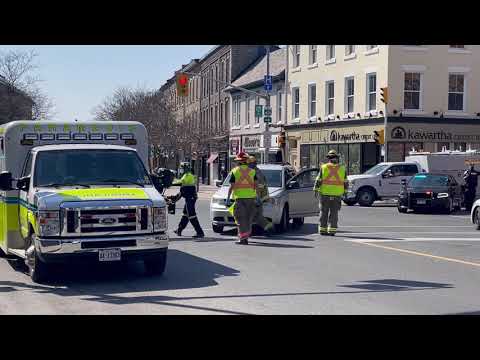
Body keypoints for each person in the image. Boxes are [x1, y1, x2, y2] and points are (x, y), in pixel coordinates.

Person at [314, 150, 348, 236]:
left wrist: (316, 190)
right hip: (337, 195)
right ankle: (332, 230)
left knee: (323, 212)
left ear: (328, 158)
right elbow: (345, 182)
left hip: (325, 194)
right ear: (337, 158)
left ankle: (322, 229)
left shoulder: (324, 167)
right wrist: (345, 192)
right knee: (334, 213)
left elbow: (318, 180)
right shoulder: (342, 168)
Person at [226, 152, 257, 245]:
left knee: (240, 219)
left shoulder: (234, 171)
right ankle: (245, 237)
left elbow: (231, 186)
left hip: (239, 199)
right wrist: (257, 196)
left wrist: (228, 197)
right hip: (251, 198)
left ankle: (243, 239)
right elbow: (256, 186)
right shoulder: (252, 171)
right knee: (248, 219)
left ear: (238, 162)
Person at [172, 162, 205, 238]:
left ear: (185, 168)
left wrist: (171, 182)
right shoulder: (186, 175)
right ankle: (179, 230)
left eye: (182, 168)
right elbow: (182, 189)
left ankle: (199, 232)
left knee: (191, 215)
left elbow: (181, 182)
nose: (181, 170)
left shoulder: (188, 175)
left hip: (190, 198)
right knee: (185, 214)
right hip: (189, 198)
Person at [247, 155, 274, 235]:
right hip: (258, 198)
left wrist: (257, 198)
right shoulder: (255, 172)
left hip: (257, 199)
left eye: (249, 164)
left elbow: (259, 187)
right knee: (258, 217)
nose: (248, 165)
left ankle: (246, 234)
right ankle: (270, 228)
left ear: (253, 164)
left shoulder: (256, 173)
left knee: (249, 217)